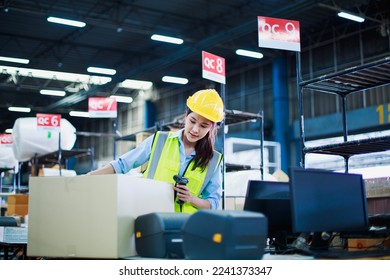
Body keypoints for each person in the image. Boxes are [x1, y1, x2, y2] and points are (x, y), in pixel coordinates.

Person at [88, 89, 224, 213]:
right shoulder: (159, 140)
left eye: (203, 126)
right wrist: (89, 177)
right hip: (150, 218)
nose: (195, 129)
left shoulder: (213, 160)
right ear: (186, 116)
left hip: (186, 227)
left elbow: (214, 203)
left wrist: (191, 198)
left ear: (211, 128)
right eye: (192, 121)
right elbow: (122, 164)